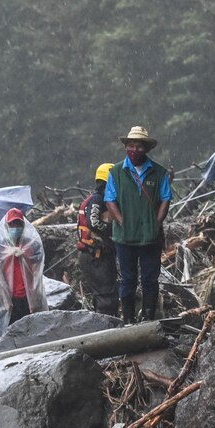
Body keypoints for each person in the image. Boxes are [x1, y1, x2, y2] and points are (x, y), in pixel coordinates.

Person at [104, 126, 171, 324]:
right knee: (128, 280)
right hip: (124, 238)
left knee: (150, 279)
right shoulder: (116, 172)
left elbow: (166, 199)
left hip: (150, 238)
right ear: (126, 147)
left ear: (146, 149)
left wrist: (157, 222)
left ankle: (149, 318)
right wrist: (122, 222)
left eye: (139, 147)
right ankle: (129, 319)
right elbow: (110, 200)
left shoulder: (158, 172)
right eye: (131, 146)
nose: (135, 150)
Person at [0, 208, 47, 350]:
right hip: (9, 297)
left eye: (18, 225)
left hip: (28, 297)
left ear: (23, 225)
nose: (15, 228)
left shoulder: (31, 244)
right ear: (7, 226)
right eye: (12, 225)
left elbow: (38, 262)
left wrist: (24, 254)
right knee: (7, 334)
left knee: (30, 333)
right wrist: (8, 253)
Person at [77, 162, 119, 316]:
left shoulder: (100, 199)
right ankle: (107, 331)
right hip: (95, 255)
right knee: (105, 297)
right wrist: (114, 231)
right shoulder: (98, 199)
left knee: (107, 294)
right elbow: (93, 222)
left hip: (97, 254)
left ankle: (108, 326)